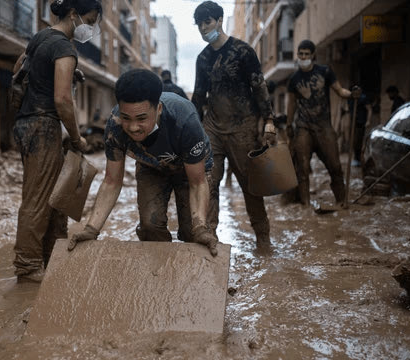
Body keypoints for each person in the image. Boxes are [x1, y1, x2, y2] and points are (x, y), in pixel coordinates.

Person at [68, 69, 218, 257]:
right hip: (151, 167)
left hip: (191, 170)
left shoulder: (185, 120)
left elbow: (197, 183)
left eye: (141, 119)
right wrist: (91, 229)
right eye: (126, 118)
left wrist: (201, 228)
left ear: (159, 109)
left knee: (194, 233)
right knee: (150, 226)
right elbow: (111, 182)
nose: (132, 127)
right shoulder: (115, 126)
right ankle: (159, 276)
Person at [12, 0, 101, 283]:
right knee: (38, 198)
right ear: (73, 15)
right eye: (89, 20)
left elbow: (19, 71)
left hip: (26, 122)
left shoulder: (39, 38)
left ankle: (51, 259)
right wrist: (77, 138)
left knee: (52, 196)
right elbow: (63, 100)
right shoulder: (64, 46)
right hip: (44, 125)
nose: (90, 28)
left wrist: (64, 72)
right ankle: (27, 266)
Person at [191, 1, 277, 248]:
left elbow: (259, 86)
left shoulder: (243, 51)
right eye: (199, 24)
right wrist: (193, 130)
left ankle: (263, 239)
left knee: (251, 186)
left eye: (207, 22)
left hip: (244, 128)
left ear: (219, 20)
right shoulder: (203, 59)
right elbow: (198, 96)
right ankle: (209, 237)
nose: (204, 28)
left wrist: (269, 120)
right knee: (208, 183)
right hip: (213, 129)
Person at [286, 39, 361, 207]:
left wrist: (351, 95)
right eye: (301, 54)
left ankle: (341, 201)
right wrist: (289, 125)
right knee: (303, 169)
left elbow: (340, 90)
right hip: (303, 127)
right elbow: (291, 104)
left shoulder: (325, 71)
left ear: (313, 55)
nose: (303, 57)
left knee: (335, 165)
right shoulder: (293, 79)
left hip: (324, 125)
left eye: (306, 54)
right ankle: (305, 204)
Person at [347, 91, 371, 166]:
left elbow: (369, 109)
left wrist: (368, 120)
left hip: (361, 122)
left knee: (358, 141)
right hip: (353, 122)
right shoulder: (350, 98)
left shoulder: (363, 98)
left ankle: (358, 159)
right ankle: (356, 158)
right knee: (353, 141)